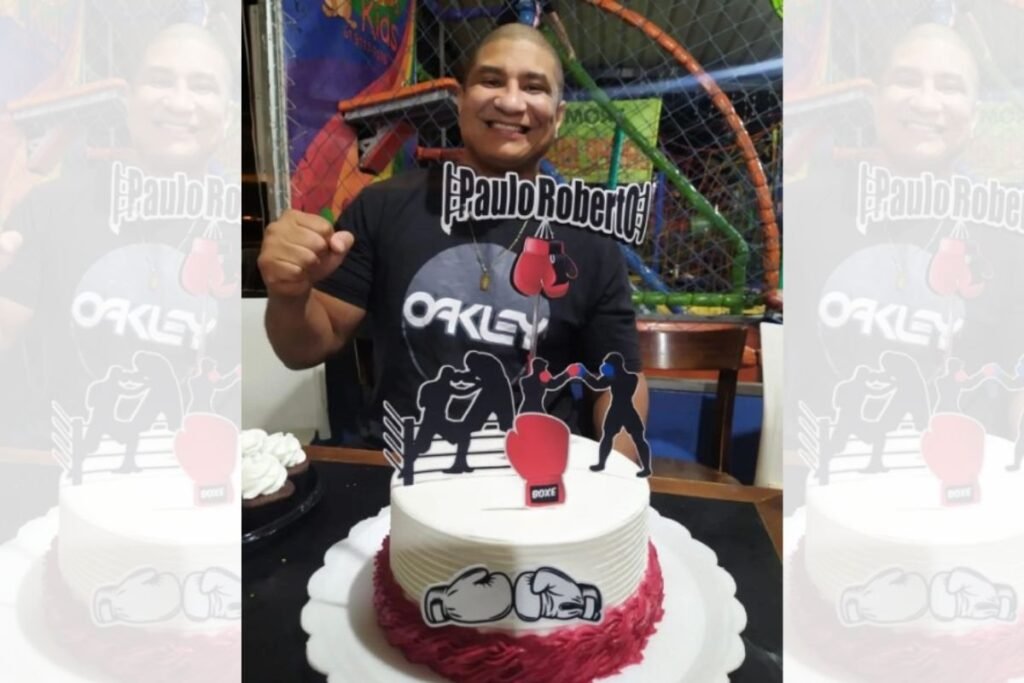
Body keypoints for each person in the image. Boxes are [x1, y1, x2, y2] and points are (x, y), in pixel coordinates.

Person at [258, 23, 648, 461]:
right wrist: (289, 293)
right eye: (491, 80)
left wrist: (614, 476)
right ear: (460, 100)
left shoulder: (591, 239)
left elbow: (620, 379)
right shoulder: (384, 206)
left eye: (533, 87)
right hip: (400, 467)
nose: (510, 101)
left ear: (557, 117)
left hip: (534, 472)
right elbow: (305, 348)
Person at [0, 22, 239, 451]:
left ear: (227, 116)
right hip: (60, 462)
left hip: (200, 466)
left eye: (202, 86)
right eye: (160, 81)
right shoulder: (50, 205)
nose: (179, 102)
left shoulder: (242, 229)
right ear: (128, 102)